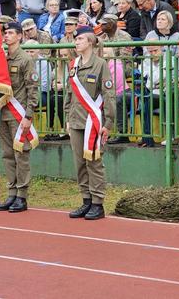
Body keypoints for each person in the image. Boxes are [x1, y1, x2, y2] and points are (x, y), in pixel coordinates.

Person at [64, 27, 115, 220]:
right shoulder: (73, 65)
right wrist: (67, 116)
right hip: (76, 120)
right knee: (80, 163)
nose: (76, 42)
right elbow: (69, 93)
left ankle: (97, 203)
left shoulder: (100, 64)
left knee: (94, 162)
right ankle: (86, 200)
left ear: (91, 42)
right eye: (76, 39)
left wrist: (108, 122)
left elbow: (108, 94)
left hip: (93, 122)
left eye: (80, 39)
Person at [0, 22, 39, 213]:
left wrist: (28, 115)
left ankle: (22, 195)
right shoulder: (2, 59)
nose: (6, 36)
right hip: (3, 113)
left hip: (18, 114)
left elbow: (32, 89)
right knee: (7, 155)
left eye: (11, 33)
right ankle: (11, 192)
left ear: (20, 36)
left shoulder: (24, 59)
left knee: (21, 155)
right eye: (5, 33)